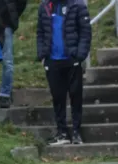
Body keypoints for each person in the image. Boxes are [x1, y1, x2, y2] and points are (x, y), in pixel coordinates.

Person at [37, 0, 92, 145]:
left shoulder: (78, 5)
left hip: (72, 60)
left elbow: (85, 31)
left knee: (76, 96)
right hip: (52, 60)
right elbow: (40, 32)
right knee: (57, 97)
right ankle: (62, 132)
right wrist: (42, 55)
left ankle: (76, 131)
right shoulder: (44, 6)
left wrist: (79, 56)